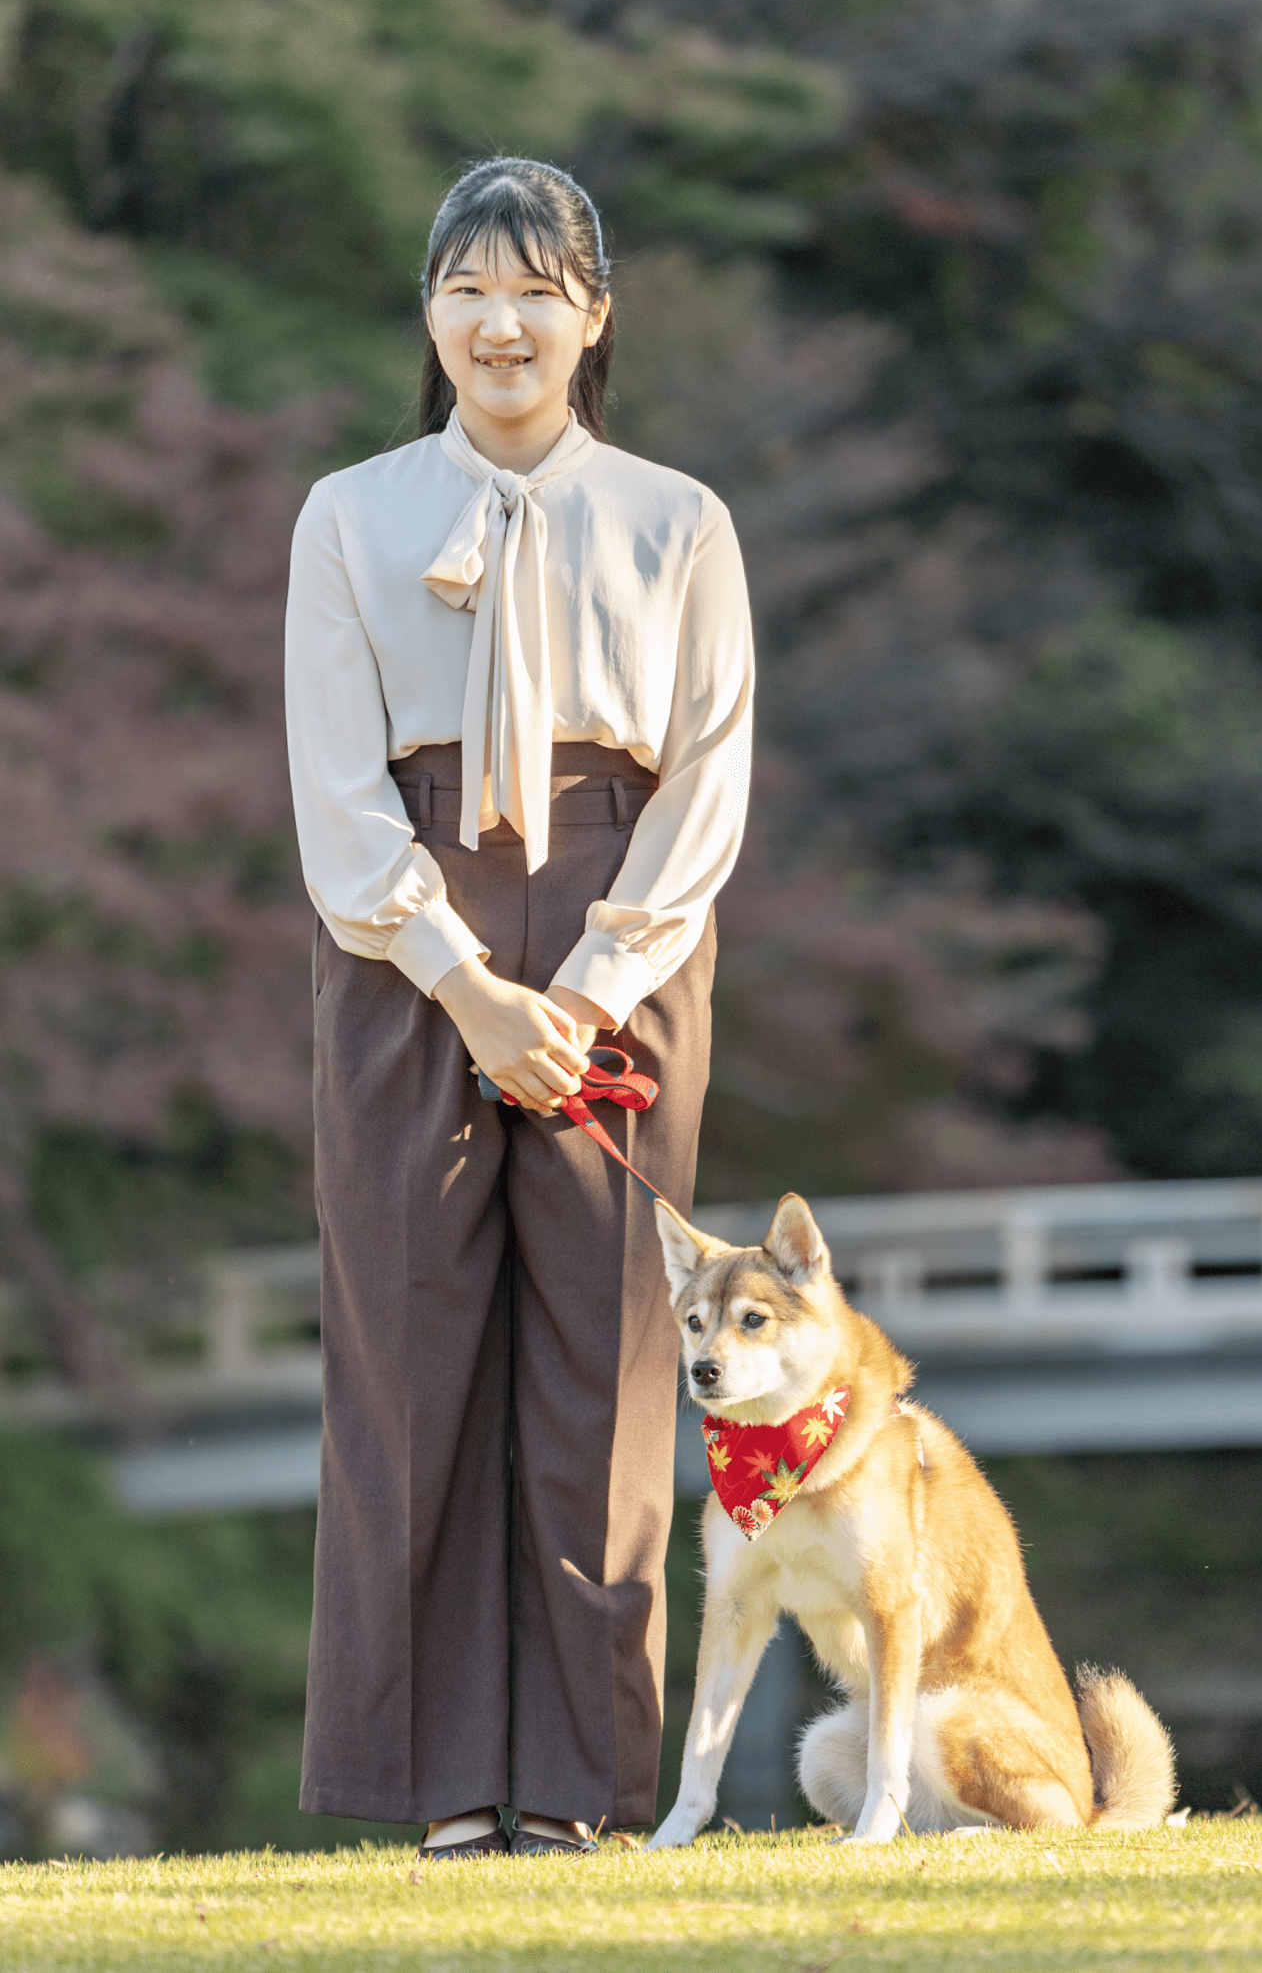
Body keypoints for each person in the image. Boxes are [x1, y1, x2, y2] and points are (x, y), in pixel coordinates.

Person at [285, 156, 753, 1860]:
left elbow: (708, 784)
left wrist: (593, 987)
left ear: (593, 316)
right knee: (411, 1356)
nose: (503, 324)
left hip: (624, 933)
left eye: (537, 291)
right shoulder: (350, 513)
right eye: (471, 290)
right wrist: (472, 987)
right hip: (411, 945)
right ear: (429, 312)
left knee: (608, 1365)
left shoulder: (679, 521)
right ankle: (440, 1792)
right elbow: (336, 793)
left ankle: (577, 1792)